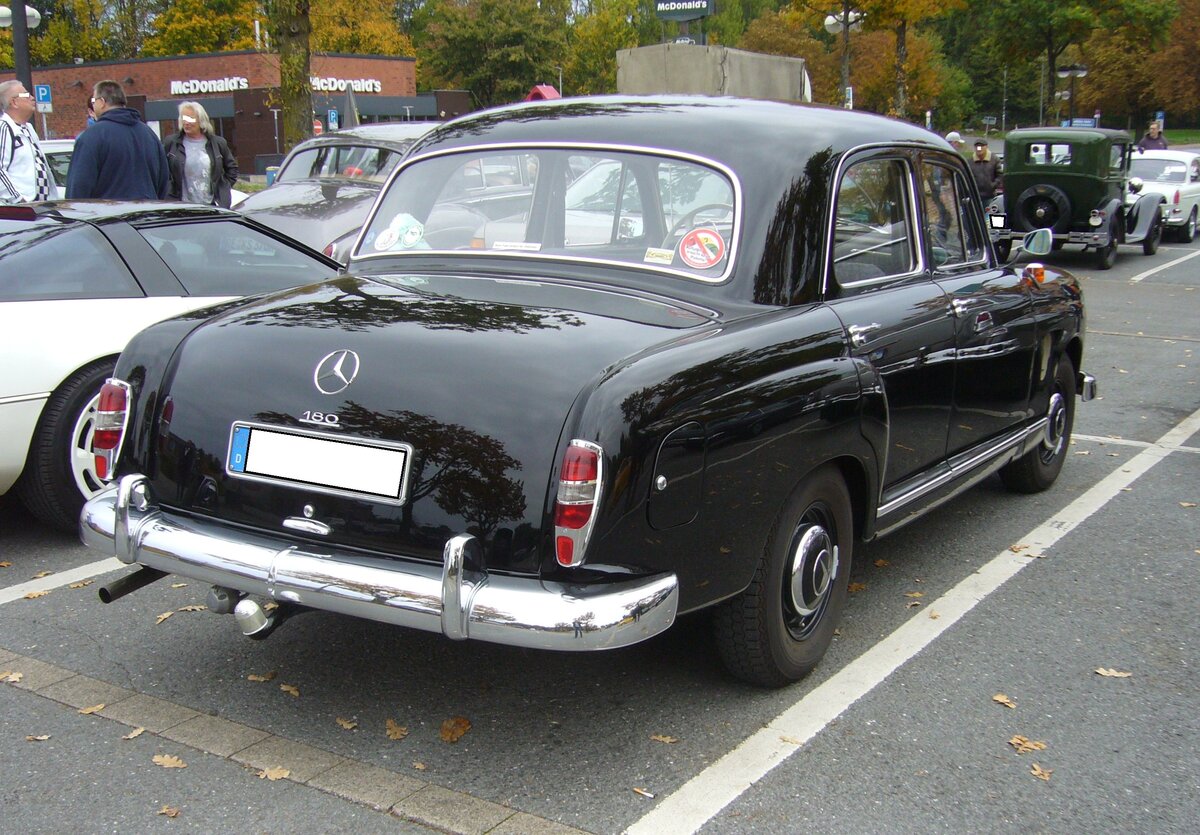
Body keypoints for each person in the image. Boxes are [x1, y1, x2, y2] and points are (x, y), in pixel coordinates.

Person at [66, 80, 169, 199]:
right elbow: (163, 180)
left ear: (102, 102)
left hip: (108, 209)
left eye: (93, 101)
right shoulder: (149, 134)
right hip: (148, 208)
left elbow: (79, 185)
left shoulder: (92, 136)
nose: (93, 105)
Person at [162, 101, 238, 207]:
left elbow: (232, 169)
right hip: (180, 206)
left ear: (201, 121)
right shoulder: (171, 143)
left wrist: (223, 188)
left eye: (191, 119)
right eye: (184, 118)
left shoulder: (217, 143)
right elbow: (161, 170)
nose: (186, 123)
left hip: (212, 205)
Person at [0, 80, 54, 204]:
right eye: (26, 95)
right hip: (18, 208)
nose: (32, 98)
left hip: (39, 206)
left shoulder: (28, 128)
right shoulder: (4, 128)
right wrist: (18, 199)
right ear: (14, 102)